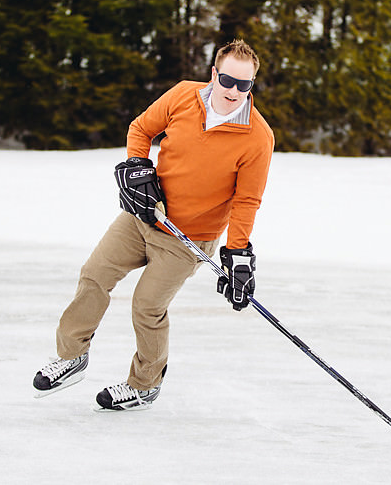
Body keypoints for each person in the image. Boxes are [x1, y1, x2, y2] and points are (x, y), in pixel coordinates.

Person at [33, 39, 274, 410]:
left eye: (245, 85)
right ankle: (71, 356)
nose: (234, 91)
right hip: (145, 215)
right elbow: (141, 129)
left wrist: (238, 252)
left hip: (187, 238)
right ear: (214, 74)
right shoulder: (183, 95)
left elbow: (246, 200)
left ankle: (144, 384)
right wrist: (137, 166)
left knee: (146, 305)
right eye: (228, 80)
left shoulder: (257, 137)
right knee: (94, 274)